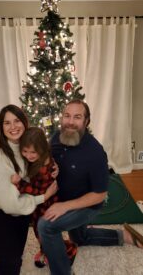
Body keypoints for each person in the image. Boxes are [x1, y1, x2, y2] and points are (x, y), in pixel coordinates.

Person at [37, 99, 143, 275]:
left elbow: (99, 195)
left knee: (46, 226)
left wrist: (64, 207)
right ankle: (123, 236)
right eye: (67, 116)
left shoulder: (95, 153)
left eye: (77, 117)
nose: (70, 122)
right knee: (79, 237)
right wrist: (52, 166)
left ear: (86, 122)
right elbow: (49, 159)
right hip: (62, 196)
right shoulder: (56, 137)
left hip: (86, 204)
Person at [0, 104, 57, 275]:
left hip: (20, 208)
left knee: (7, 249)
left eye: (17, 120)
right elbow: (11, 205)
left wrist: (55, 167)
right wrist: (44, 197)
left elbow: (45, 154)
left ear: (25, 122)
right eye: (7, 123)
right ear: (1, 127)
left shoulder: (28, 145)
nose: (13, 127)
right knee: (12, 259)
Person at [11, 127, 77, 268]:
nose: (28, 156)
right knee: (39, 233)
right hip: (39, 205)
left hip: (46, 206)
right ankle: (45, 250)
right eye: (25, 151)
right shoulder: (40, 158)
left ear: (41, 149)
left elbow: (38, 191)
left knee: (44, 234)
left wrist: (19, 183)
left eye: (33, 152)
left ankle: (69, 250)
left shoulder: (45, 167)